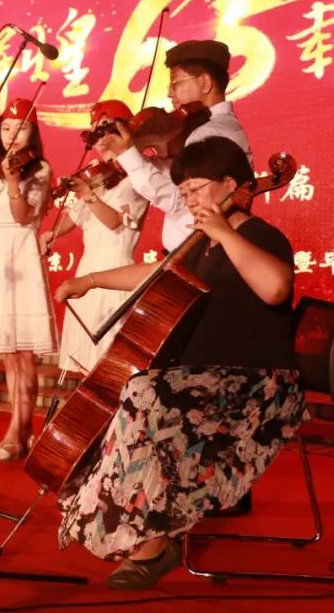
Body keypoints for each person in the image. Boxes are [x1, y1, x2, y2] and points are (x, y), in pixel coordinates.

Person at [53, 136, 303, 589]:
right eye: (183, 191)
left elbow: (275, 289)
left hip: (257, 386)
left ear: (232, 185)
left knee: (145, 391)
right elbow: (157, 272)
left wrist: (224, 232)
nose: (187, 199)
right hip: (203, 382)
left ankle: (151, 543)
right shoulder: (202, 246)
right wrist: (89, 280)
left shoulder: (259, 236)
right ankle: (140, 528)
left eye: (196, 188)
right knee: (140, 390)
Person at [0, 98, 56, 462]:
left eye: (20, 128)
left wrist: (13, 181)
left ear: (33, 133)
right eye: (6, 128)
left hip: (21, 254)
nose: (12, 134)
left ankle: (15, 433)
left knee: (23, 353)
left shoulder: (39, 169)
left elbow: (21, 216)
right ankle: (24, 430)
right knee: (7, 352)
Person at [101, 39, 251, 252]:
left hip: (196, 254)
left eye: (175, 83)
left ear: (205, 82)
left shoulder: (210, 133)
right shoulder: (204, 128)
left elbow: (177, 199)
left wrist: (128, 154)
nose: (170, 93)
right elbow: (174, 179)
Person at [39, 100, 149, 376]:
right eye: (94, 132)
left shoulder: (135, 177)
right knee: (85, 361)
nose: (99, 139)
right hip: (87, 268)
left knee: (110, 360)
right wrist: (53, 233)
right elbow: (76, 216)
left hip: (116, 269)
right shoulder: (100, 176)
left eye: (105, 129)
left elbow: (114, 222)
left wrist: (88, 193)